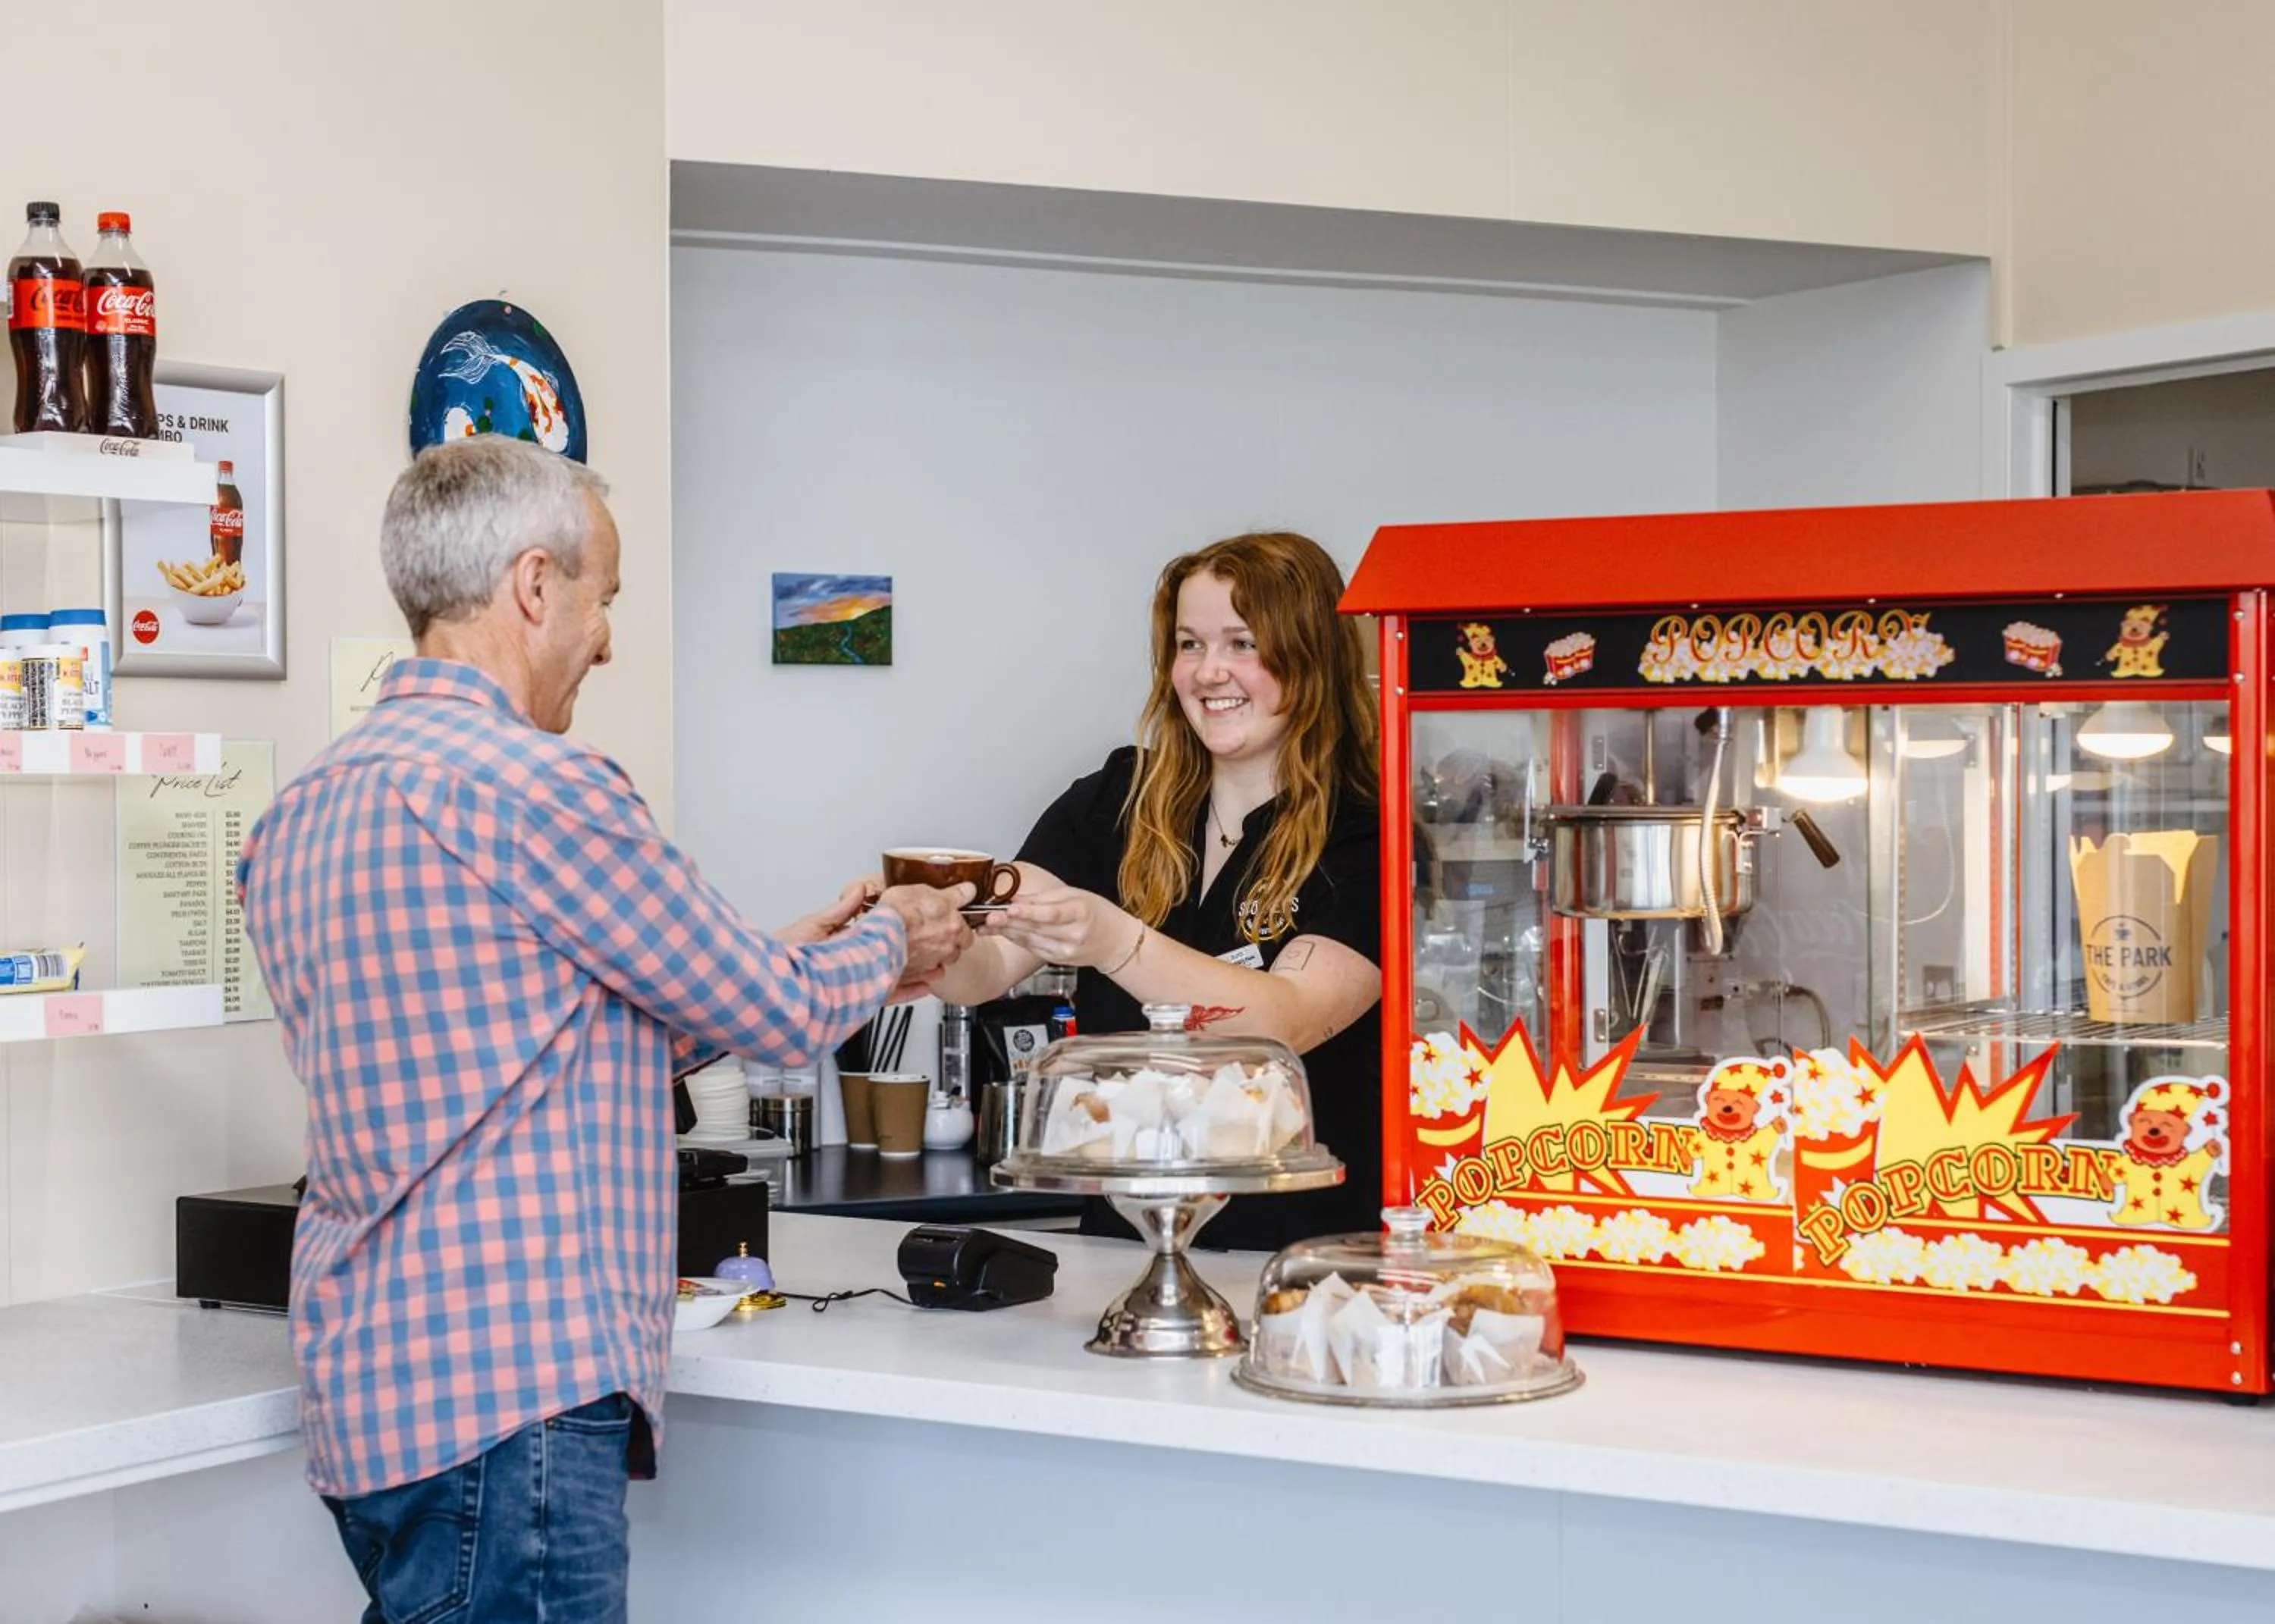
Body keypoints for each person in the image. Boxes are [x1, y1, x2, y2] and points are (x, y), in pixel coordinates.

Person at [237, 436, 971, 1624]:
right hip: (505, 1394)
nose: (610, 635)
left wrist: (812, 952)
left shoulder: (298, 816)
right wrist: (891, 936)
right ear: (535, 586)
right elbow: (777, 1013)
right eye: (604, 597)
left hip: (370, 1396)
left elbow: (535, 1039)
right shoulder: (538, 787)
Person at [933, 530, 1382, 1249]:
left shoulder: (1366, 836)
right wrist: (925, 929)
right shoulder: (1113, 799)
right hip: (1119, 1245)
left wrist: (1114, 938)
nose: (1209, 672)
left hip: (1300, 1262)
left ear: (1312, 657)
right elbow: (985, 969)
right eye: (1189, 644)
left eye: (1242, 643)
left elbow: (1284, 1023)